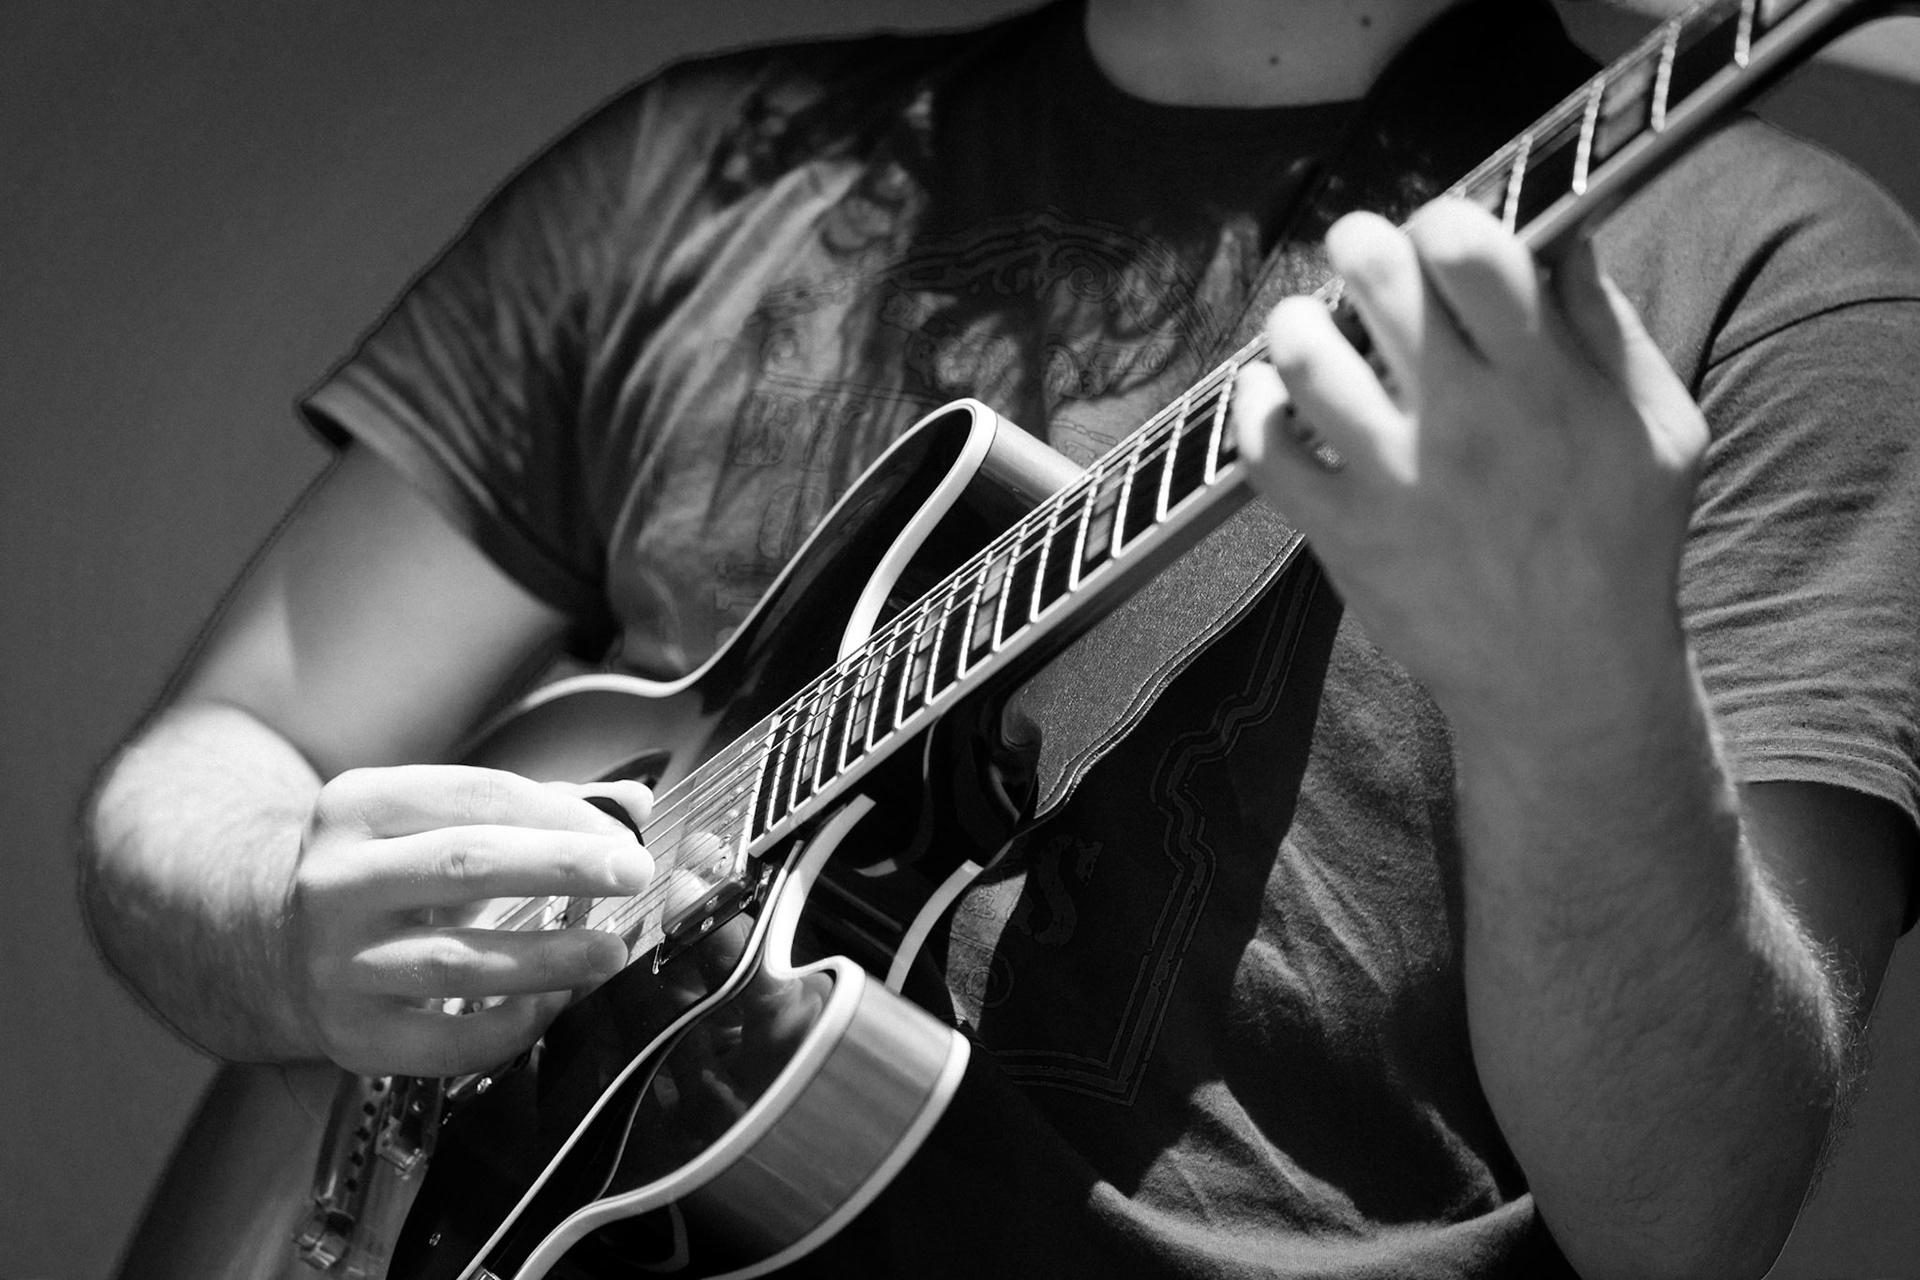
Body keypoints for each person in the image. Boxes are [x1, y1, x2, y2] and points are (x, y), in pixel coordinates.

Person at [81, 0, 1920, 1275]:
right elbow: (221, 756)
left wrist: (1578, 690)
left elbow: (1691, 1218)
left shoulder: (1759, 269)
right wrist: (286, 923)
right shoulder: (700, 175)